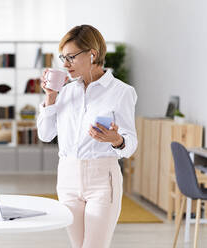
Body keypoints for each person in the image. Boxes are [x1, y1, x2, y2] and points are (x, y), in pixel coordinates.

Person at [37, 24, 137, 248]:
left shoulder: (121, 92)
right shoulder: (64, 91)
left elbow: (131, 145)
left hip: (102, 179)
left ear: (92, 54)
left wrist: (116, 139)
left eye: (71, 57)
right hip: (67, 178)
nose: (64, 64)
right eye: (63, 57)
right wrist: (50, 98)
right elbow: (45, 134)